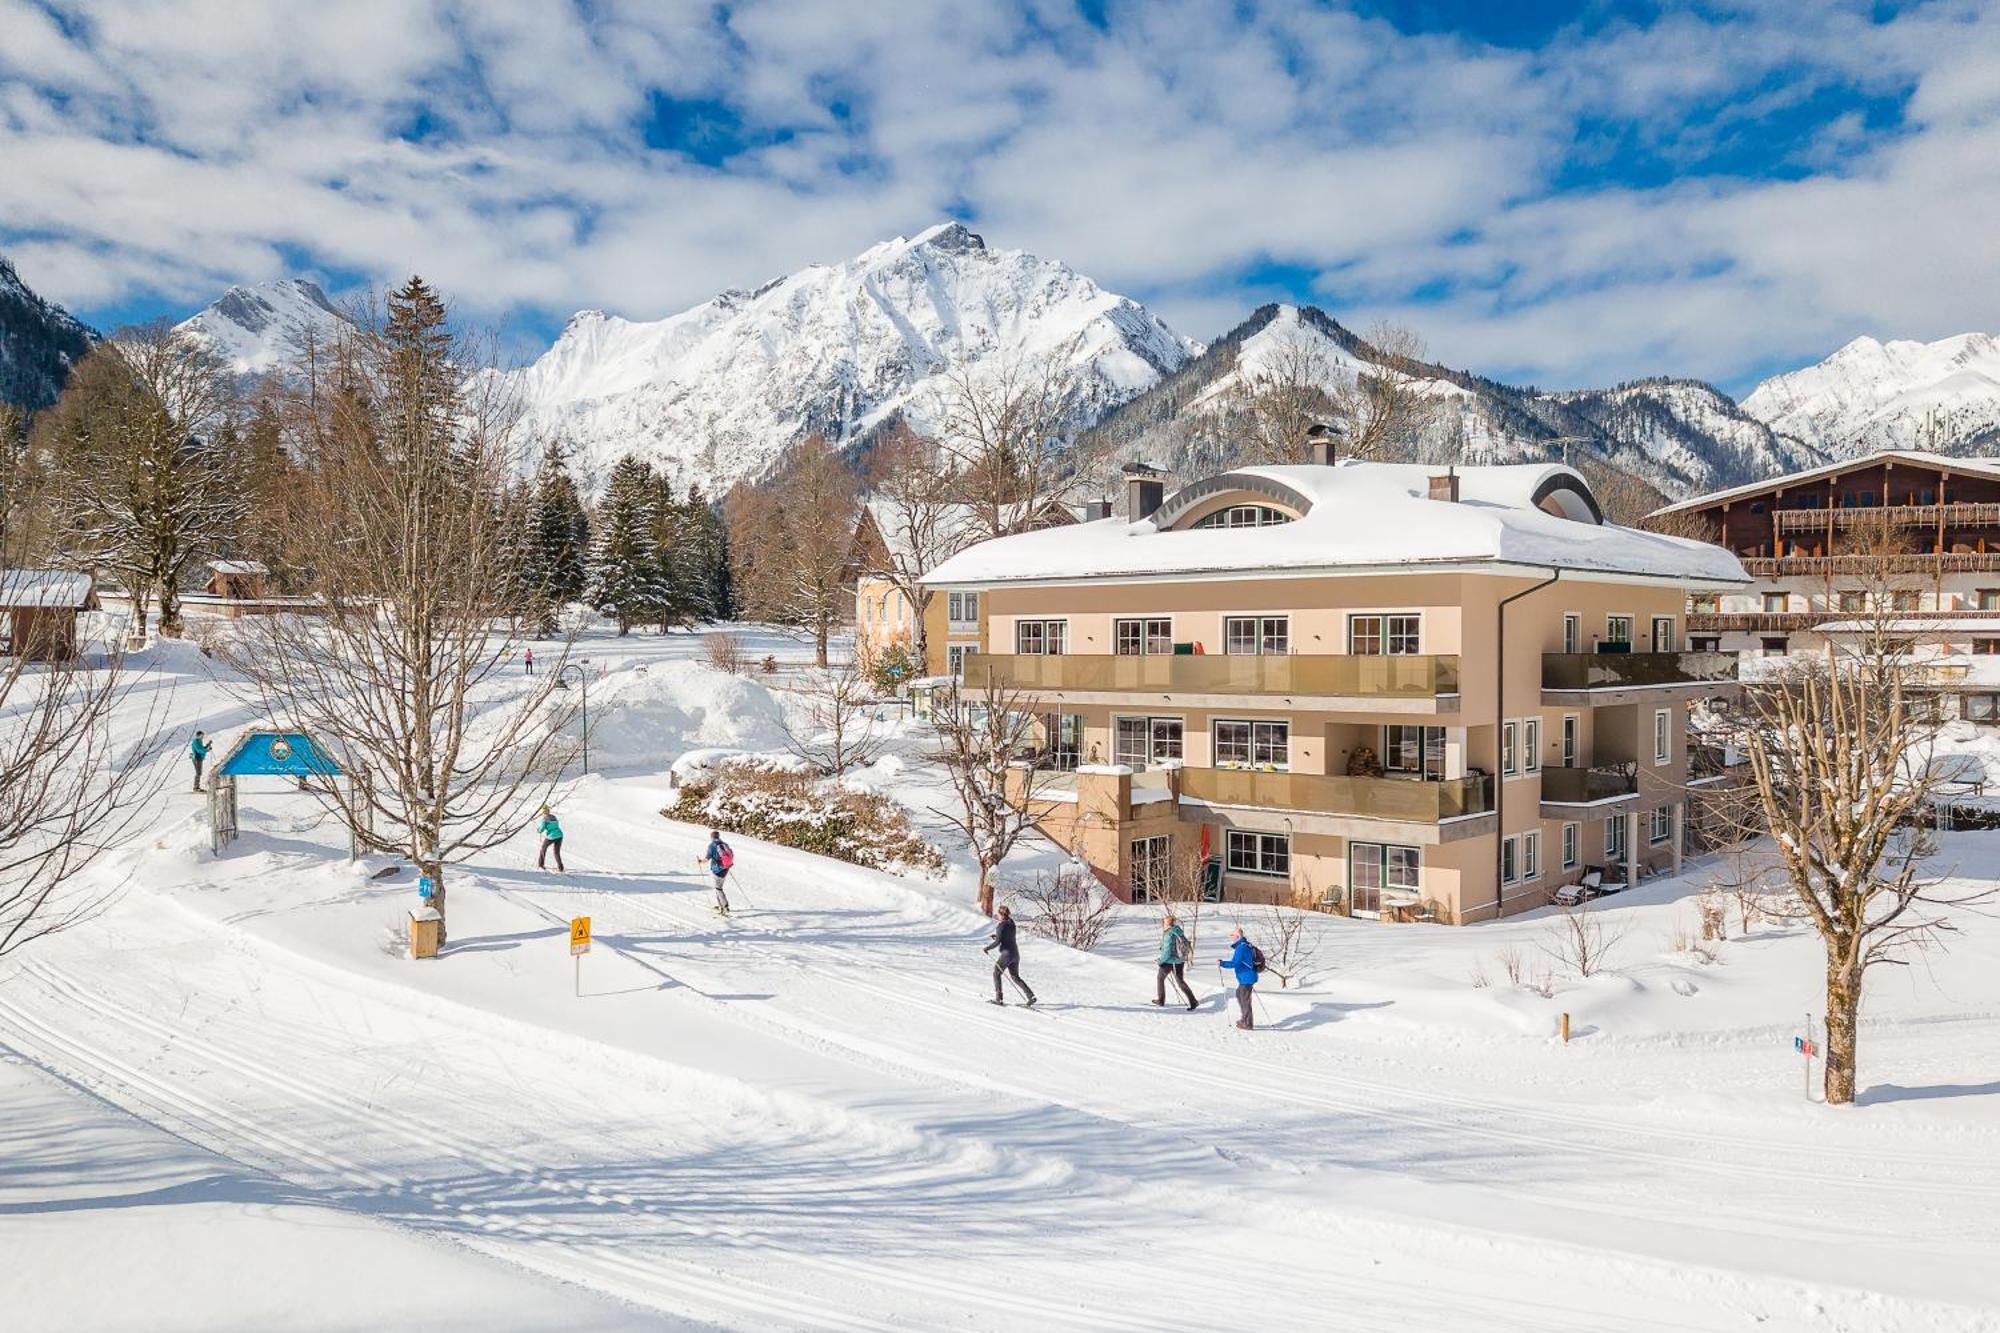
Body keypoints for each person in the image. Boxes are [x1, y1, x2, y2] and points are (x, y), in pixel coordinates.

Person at [983, 905, 1036, 1007]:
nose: (996, 915)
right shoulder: (1012, 923)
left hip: (1006, 954)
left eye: (997, 914)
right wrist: (997, 936)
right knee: (1015, 977)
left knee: (996, 973)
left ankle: (999, 999)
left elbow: (998, 942)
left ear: (1001, 914)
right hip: (1015, 954)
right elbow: (1007, 937)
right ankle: (1031, 996)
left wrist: (987, 948)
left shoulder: (1001, 925)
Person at [1155, 912, 1197, 1010]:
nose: (1163, 924)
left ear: (1167, 923)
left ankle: (1161, 1000)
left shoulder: (1169, 933)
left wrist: (1161, 961)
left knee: (1160, 978)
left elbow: (1167, 950)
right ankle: (1193, 1001)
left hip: (1169, 961)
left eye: (1164, 922)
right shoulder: (1178, 931)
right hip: (1180, 960)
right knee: (1180, 981)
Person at [1218, 926, 1258, 1030]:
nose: (1232, 937)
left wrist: (1222, 963)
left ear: (1238, 936)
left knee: (1244, 999)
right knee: (1240, 995)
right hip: (1246, 977)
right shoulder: (1244, 945)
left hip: (1247, 977)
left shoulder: (1241, 948)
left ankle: (1247, 1023)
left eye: (1233, 935)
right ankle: (1245, 1020)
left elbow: (1235, 963)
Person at [701, 829, 732, 915]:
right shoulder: (725, 844)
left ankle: (725, 906)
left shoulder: (712, 846)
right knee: (718, 887)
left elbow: (707, 859)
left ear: (711, 837)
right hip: (726, 868)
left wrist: (700, 861)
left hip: (716, 869)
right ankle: (721, 905)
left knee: (718, 888)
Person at [537, 806, 565, 871]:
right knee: (556, 852)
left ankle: (541, 864)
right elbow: (556, 825)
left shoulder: (544, 819)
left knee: (543, 849)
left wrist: (538, 830)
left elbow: (541, 829)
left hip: (551, 836)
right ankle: (561, 867)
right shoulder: (553, 817)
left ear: (543, 813)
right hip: (559, 835)